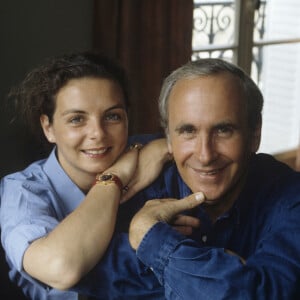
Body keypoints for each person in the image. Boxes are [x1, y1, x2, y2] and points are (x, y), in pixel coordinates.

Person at [70, 58, 300, 299]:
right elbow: (76, 270)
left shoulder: (290, 196)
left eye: (223, 130)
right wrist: (228, 277)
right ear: (168, 138)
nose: (205, 155)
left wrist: (150, 236)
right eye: (188, 131)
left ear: (255, 134)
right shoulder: (134, 179)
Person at [0, 51, 170, 300]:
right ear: (48, 128)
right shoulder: (22, 192)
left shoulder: (144, 152)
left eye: (112, 116)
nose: (98, 134)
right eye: (77, 119)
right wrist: (114, 176)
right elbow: (61, 267)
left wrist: (165, 145)